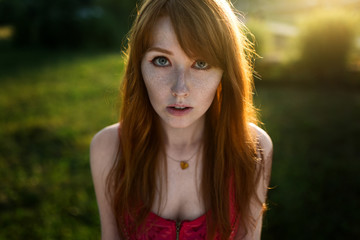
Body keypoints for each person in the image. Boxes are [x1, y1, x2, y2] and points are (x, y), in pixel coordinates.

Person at [90, 0, 273, 239]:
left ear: (225, 73)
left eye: (201, 63)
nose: (180, 89)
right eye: (162, 60)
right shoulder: (109, 148)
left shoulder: (252, 149)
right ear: (139, 66)